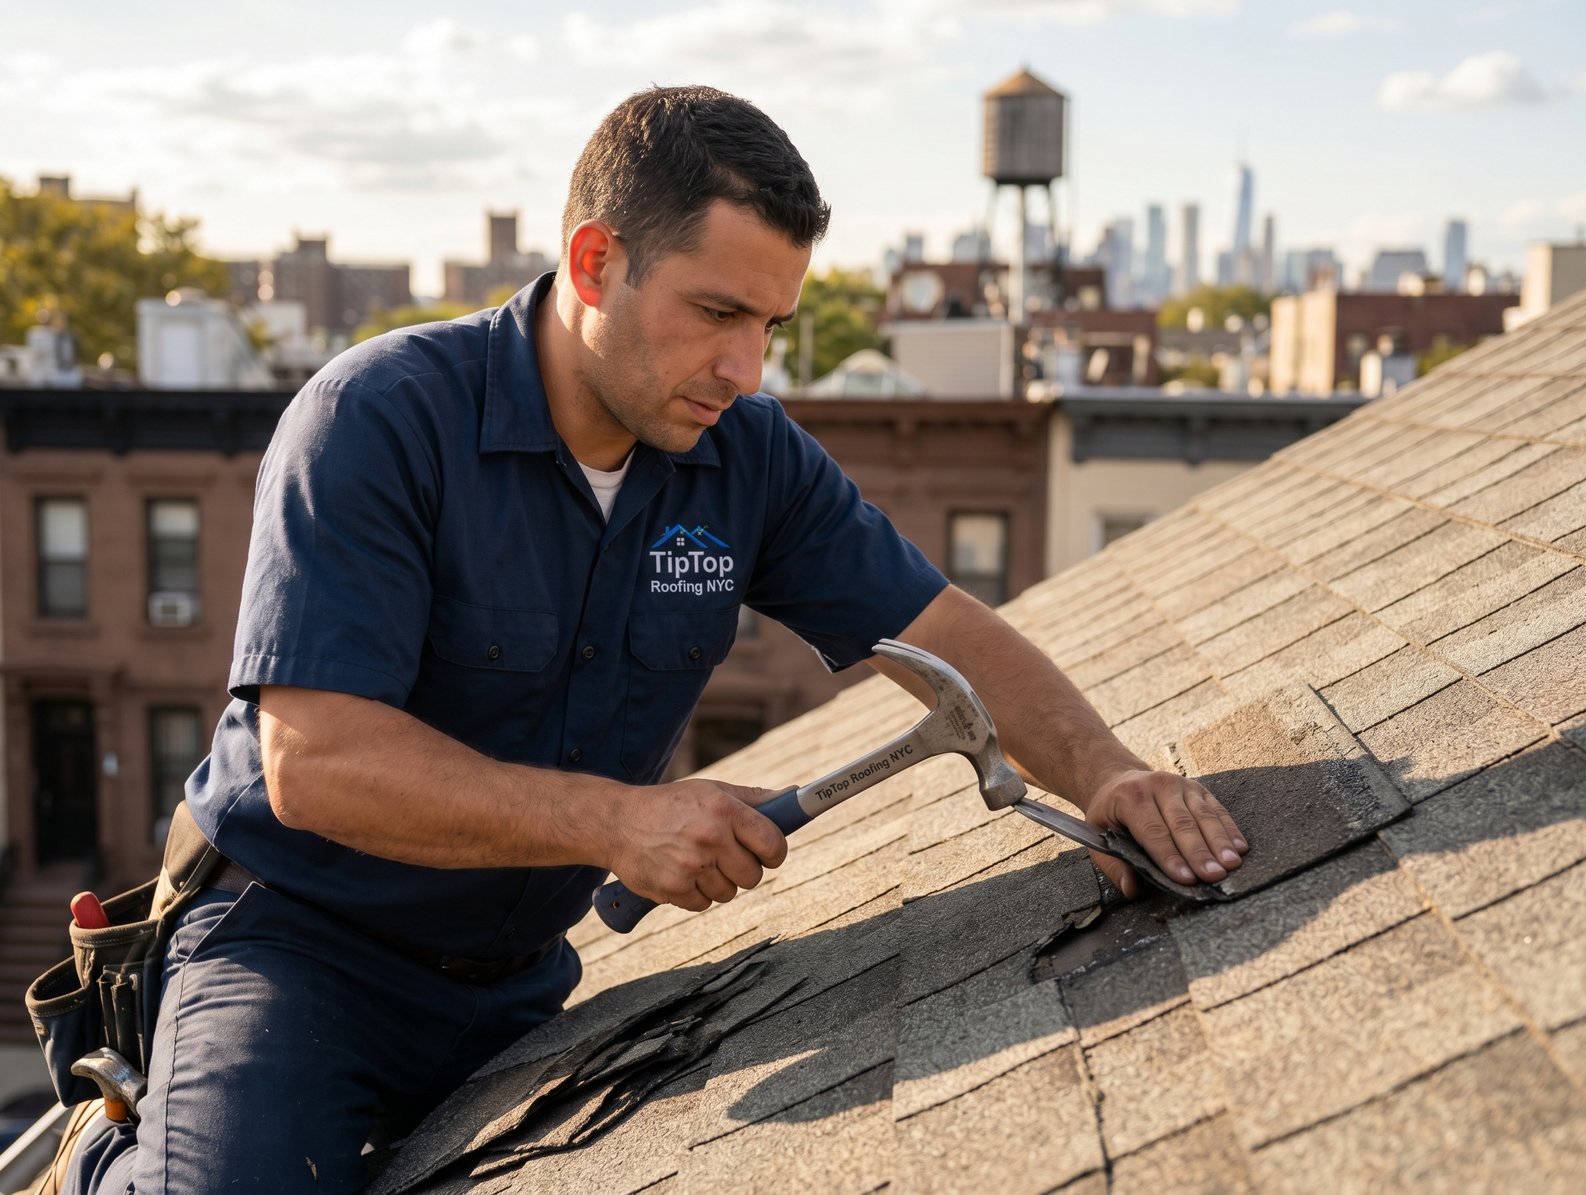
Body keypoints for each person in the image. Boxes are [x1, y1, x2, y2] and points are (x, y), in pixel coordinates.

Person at [54, 85, 1246, 1194]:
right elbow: (317, 766)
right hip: (299, 948)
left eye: (771, 322)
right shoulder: (377, 419)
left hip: (520, 979)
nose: (744, 367)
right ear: (594, 261)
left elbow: (942, 635)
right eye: (717, 312)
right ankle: (120, 1153)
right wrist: (617, 821)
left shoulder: (749, 456)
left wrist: (1108, 775)